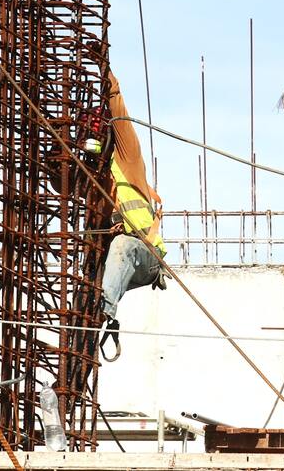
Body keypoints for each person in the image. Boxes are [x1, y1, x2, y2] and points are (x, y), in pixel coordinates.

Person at [99, 69, 168, 359]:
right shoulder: (94, 182)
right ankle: (97, 313)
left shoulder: (126, 160)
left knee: (123, 245)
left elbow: (120, 119)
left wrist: (107, 77)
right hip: (118, 266)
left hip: (146, 257)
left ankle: (104, 308)